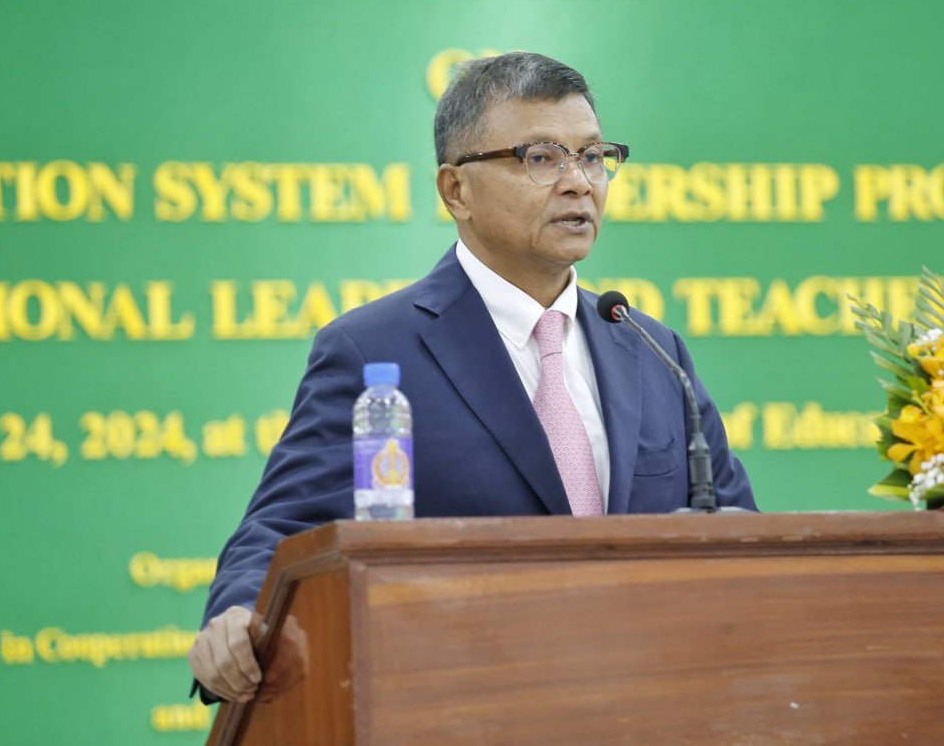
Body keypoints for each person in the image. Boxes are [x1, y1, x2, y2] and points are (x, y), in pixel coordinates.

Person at [188, 52, 757, 702]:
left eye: (594, 157)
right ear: (456, 190)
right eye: (542, 158)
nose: (579, 182)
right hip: (460, 702)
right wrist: (236, 615)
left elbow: (737, 527)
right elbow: (283, 527)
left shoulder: (652, 349)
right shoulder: (374, 350)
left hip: (647, 704)